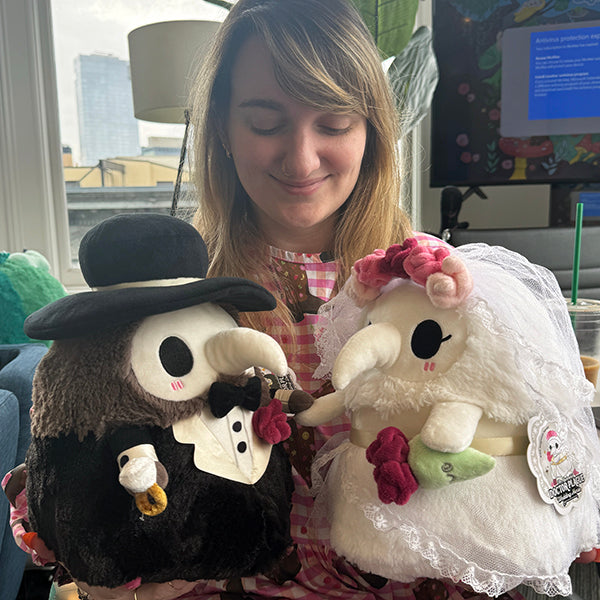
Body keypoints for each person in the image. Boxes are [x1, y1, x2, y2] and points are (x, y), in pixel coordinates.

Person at [5, 0, 556, 598]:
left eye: (334, 124)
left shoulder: (433, 287)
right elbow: (78, 457)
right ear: (222, 128)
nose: (300, 158)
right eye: (266, 123)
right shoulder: (167, 297)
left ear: (372, 131)